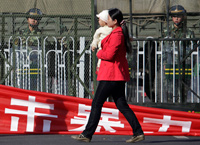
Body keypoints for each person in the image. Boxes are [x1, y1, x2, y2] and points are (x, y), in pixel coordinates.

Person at [71, 8, 144, 143]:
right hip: (115, 75)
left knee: (97, 104)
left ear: (115, 21)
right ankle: (138, 131)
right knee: (121, 105)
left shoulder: (117, 35)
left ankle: (87, 134)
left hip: (111, 75)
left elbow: (109, 55)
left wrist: (99, 53)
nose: (106, 20)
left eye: (109, 18)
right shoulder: (117, 32)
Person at [161, 5, 195, 102]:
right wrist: (163, 63)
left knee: (184, 90)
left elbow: (193, 50)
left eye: (179, 16)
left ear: (183, 17)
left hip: (184, 64)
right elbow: (162, 48)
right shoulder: (166, 32)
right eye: (174, 16)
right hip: (170, 64)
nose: (176, 18)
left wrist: (192, 64)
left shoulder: (189, 32)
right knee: (170, 91)